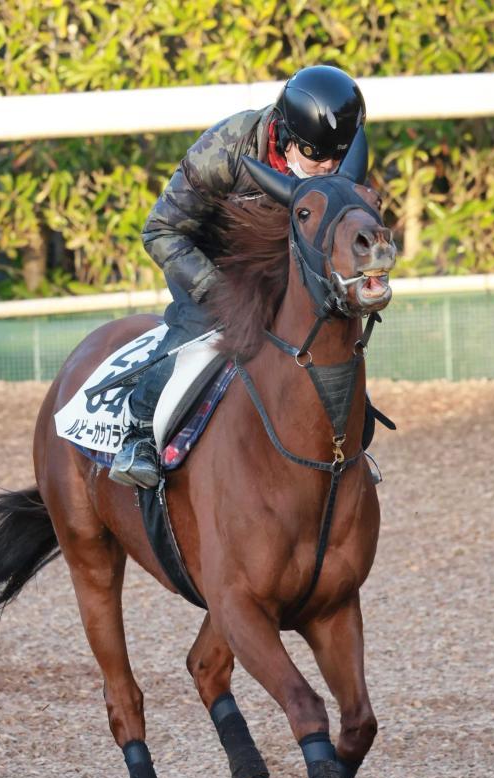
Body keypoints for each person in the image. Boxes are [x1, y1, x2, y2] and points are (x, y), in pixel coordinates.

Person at [110, 65, 367, 489]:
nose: (330, 168)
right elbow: (160, 229)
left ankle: (351, 451)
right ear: (285, 137)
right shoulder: (226, 145)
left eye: (339, 157)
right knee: (202, 333)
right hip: (211, 262)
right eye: (318, 157)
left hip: (284, 267)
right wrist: (220, 293)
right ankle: (138, 433)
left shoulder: (335, 159)